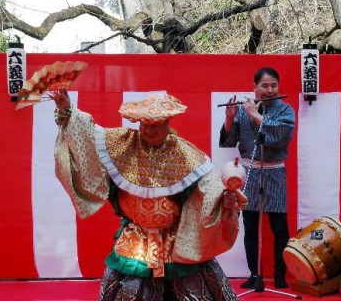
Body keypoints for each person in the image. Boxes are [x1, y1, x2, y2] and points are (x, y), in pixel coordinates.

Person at [52, 90, 246, 300]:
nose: (148, 130)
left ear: (167, 123)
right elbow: (88, 136)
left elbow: (209, 186)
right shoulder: (124, 142)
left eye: (155, 125)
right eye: (144, 124)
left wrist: (224, 197)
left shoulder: (185, 153)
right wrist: (66, 109)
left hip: (176, 241)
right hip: (136, 239)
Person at [219, 67, 296, 289]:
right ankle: (254, 273)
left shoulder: (285, 110)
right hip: (249, 171)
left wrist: (255, 115)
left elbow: (281, 137)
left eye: (274, 85)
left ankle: (280, 273)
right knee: (250, 225)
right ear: (255, 87)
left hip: (274, 171)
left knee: (279, 226)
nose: (270, 90)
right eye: (265, 86)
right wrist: (230, 118)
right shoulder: (243, 110)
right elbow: (228, 142)